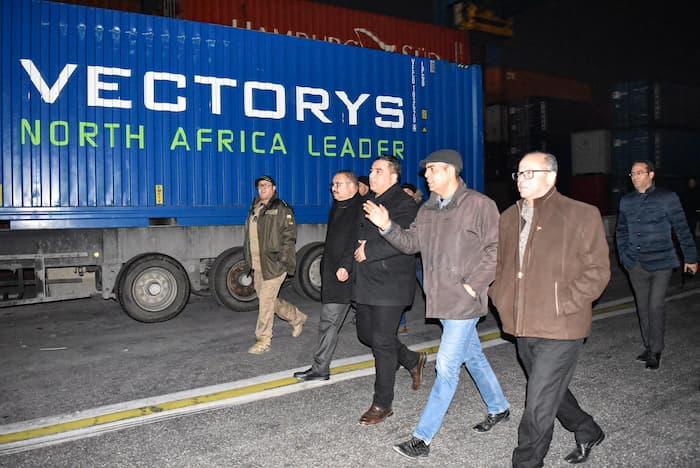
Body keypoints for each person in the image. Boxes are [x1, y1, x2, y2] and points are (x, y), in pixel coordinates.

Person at [364, 149, 510, 459]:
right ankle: (499, 407)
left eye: (433, 170)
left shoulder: (479, 205)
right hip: (441, 300)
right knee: (473, 356)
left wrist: (473, 285)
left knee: (446, 366)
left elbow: (497, 250)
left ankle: (422, 438)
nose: (426, 176)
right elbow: (410, 244)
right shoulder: (428, 209)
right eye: (426, 170)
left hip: (464, 301)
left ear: (452, 171)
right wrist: (387, 225)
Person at [489, 152, 610, 467]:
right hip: (522, 324)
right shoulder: (508, 217)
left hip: (562, 326)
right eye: (519, 173)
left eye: (530, 172)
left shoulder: (581, 214)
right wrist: (499, 297)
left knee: (538, 403)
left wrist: (565, 303)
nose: (521, 179)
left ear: (551, 176)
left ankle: (527, 462)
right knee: (549, 390)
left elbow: (598, 270)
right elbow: (499, 266)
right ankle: (587, 429)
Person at [353, 156, 426, 425]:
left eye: (379, 171)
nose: (372, 175)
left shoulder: (404, 203)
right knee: (366, 334)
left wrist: (368, 251)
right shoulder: (368, 200)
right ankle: (411, 359)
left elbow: (406, 240)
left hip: (391, 283)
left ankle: (382, 403)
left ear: (393, 177)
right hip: (366, 281)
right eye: (371, 170)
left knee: (382, 342)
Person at [616, 161, 698, 370]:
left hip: (662, 262)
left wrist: (691, 258)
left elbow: (682, 228)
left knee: (655, 306)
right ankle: (648, 346)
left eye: (639, 173)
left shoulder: (667, 198)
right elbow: (621, 231)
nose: (634, 177)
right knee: (642, 307)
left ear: (651, 174)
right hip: (636, 264)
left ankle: (656, 350)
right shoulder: (626, 201)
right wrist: (625, 258)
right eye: (632, 173)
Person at [294, 171, 363, 381]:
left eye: (339, 184)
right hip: (334, 275)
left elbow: (355, 240)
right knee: (329, 322)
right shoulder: (337, 207)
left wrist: (345, 265)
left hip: (348, 275)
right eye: (333, 184)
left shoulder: (359, 209)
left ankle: (410, 359)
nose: (334, 188)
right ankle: (320, 368)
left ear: (353, 187)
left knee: (373, 331)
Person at [243, 175, 308, 355]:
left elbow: (289, 236)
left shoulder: (281, 208)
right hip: (258, 265)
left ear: (274, 188)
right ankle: (297, 317)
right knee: (269, 301)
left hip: (274, 264)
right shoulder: (255, 208)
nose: (262, 188)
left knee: (265, 302)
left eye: (266, 185)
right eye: (260, 186)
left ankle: (263, 339)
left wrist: (283, 262)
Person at [398, 182, 425, 334]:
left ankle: (446, 320)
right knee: (401, 292)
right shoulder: (397, 209)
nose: (406, 194)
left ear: (415, 194)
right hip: (403, 258)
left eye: (409, 191)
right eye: (403, 192)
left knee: (429, 290)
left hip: (419, 259)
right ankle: (401, 324)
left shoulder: (422, 209)